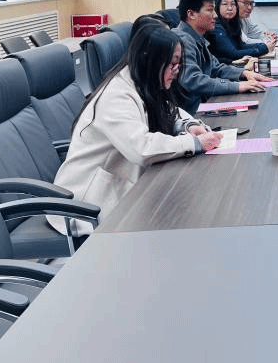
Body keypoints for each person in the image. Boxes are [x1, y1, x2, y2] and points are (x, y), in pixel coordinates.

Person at [49, 22, 222, 237]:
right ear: (151, 61)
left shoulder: (141, 81)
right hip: (87, 204)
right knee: (182, 215)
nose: (176, 70)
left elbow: (168, 110)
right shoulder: (117, 97)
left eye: (178, 64)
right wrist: (194, 143)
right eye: (172, 64)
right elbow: (141, 148)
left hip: (124, 187)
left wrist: (189, 125)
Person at [173, 0, 271, 115]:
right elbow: (194, 81)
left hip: (204, 105)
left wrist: (243, 73)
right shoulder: (182, 40)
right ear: (191, 14)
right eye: (210, 10)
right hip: (192, 113)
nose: (215, 15)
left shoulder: (197, 37)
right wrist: (237, 86)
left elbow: (216, 68)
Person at [210, 0, 273, 64]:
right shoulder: (216, 27)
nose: (230, 8)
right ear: (216, 6)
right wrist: (264, 48)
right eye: (225, 4)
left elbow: (241, 45)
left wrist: (263, 45)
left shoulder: (232, 23)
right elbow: (233, 54)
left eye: (233, 4)